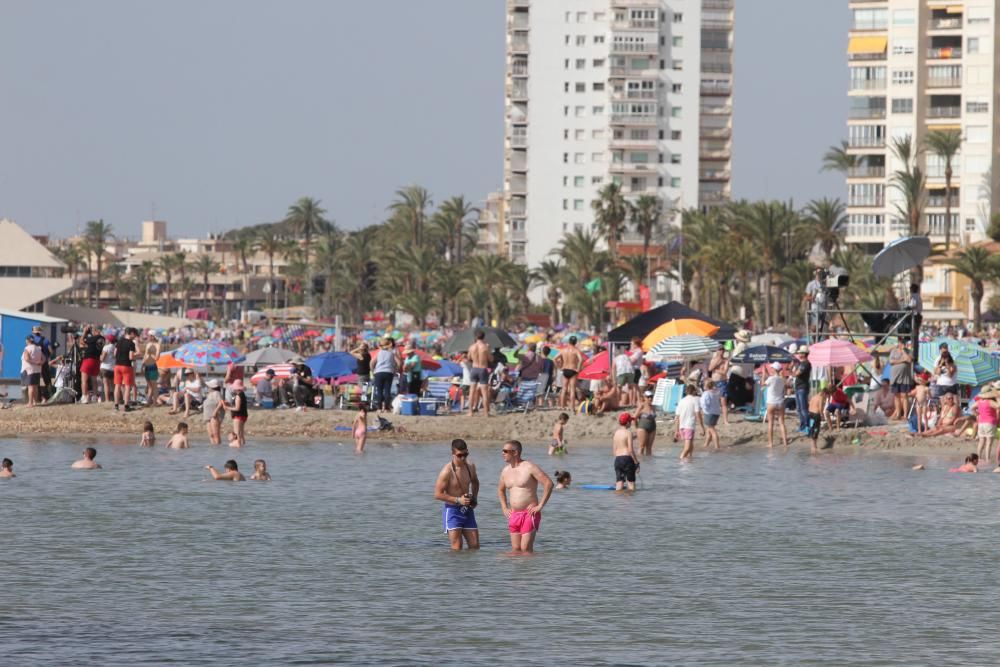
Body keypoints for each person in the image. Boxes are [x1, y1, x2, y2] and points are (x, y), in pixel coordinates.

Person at [498, 440, 552, 553]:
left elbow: (548, 483)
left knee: (525, 550)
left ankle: (534, 569)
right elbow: (501, 490)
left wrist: (540, 506)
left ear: (515, 452)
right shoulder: (505, 471)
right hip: (514, 515)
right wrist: (504, 507)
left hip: (529, 514)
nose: (502, 453)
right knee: (516, 550)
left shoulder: (529, 467)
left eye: (505, 451)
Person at [433, 439, 480, 551]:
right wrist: (458, 500)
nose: (463, 458)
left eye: (466, 454)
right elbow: (437, 494)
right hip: (452, 511)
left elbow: (475, 482)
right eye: (460, 455)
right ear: (453, 454)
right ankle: (454, 568)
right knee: (457, 548)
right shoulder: (447, 471)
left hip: (467, 509)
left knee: (475, 546)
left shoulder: (470, 466)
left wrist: (474, 497)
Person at [612, 413, 640, 490]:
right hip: (627, 459)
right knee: (631, 483)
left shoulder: (616, 433)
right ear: (627, 423)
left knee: (619, 483)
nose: (631, 423)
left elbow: (614, 451)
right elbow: (630, 450)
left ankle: (618, 502)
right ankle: (630, 501)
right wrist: (636, 463)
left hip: (618, 459)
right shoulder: (628, 433)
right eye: (630, 421)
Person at [467, 330, 492, 417]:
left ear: (475, 337)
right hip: (482, 369)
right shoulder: (485, 347)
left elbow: (469, 358)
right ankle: (486, 413)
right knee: (484, 392)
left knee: (471, 392)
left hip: (474, 369)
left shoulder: (471, 347)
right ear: (483, 337)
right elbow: (491, 359)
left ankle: (470, 412)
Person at [675, 384, 703, 459]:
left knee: (690, 445)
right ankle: (681, 461)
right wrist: (702, 427)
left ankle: (689, 460)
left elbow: (677, 417)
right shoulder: (695, 400)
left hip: (682, 426)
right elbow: (698, 414)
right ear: (694, 391)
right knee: (687, 448)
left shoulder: (681, 401)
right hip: (689, 426)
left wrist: (676, 430)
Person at [554, 336, 583, 410]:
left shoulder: (563, 350)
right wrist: (578, 369)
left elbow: (555, 358)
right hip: (573, 370)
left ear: (569, 342)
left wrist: (559, 367)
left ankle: (562, 406)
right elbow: (581, 359)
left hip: (565, 370)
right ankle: (572, 407)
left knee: (564, 389)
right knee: (572, 389)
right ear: (575, 342)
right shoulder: (576, 350)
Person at [113, 328, 137, 412]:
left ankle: (116, 405)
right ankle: (126, 406)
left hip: (117, 365)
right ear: (131, 333)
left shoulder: (119, 341)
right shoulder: (131, 343)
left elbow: (115, 353)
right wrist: (137, 356)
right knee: (127, 386)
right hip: (126, 366)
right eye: (135, 334)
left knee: (117, 385)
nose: (135, 337)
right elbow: (131, 357)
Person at [888, 339, 913, 420]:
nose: (901, 344)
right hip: (895, 377)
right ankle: (898, 414)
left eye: (903, 342)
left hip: (905, 377)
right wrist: (902, 360)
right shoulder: (893, 351)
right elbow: (891, 361)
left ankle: (905, 415)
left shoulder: (908, 351)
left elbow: (909, 360)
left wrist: (903, 351)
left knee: (904, 396)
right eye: (900, 342)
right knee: (896, 396)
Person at [372, 337, 398, 412]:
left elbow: (372, 363)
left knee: (379, 391)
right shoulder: (392, 353)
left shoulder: (378, 353)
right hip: (389, 372)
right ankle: (386, 408)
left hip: (378, 372)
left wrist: (373, 370)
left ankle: (379, 408)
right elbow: (399, 363)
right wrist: (395, 370)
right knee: (387, 390)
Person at [973, 388, 999, 462]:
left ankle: (978, 457)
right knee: (989, 442)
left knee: (981, 441)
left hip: (981, 423)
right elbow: (998, 406)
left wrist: (977, 414)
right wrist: (998, 398)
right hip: (990, 423)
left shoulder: (979, 401)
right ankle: (987, 459)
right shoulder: (990, 402)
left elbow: (972, 408)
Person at [79, 327, 103, 403]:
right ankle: (95, 397)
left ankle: (84, 396)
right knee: (94, 380)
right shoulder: (102, 339)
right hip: (97, 360)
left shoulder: (93, 338)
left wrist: (84, 332)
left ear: (96, 331)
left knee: (84, 380)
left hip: (88, 360)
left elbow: (81, 341)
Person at [707, 348, 731, 425]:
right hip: (714, 382)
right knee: (711, 401)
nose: (721, 352)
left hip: (722, 382)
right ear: (717, 351)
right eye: (719, 350)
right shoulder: (713, 360)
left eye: (722, 350)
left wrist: (716, 370)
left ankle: (725, 420)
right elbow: (710, 369)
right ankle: (711, 418)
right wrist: (717, 363)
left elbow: (724, 372)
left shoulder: (726, 360)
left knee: (723, 402)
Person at [807, 387, 832, 454]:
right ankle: (814, 447)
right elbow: (820, 408)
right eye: (827, 395)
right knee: (816, 430)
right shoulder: (821, 398)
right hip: (816, 415)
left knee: (812, 429)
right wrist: (822, 416)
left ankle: (812, 446)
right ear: (825, 393)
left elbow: (809, 405)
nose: (827, 397)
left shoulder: (814, 396)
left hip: (810, 414)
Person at [633, 389, 658, 456]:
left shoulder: (653, 407)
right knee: (642, 447)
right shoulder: (641, 406)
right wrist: (636, 428)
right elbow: (634, 418)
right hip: (642, 427)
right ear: (644, 397)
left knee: (649, 448)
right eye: (648, 397)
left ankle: (649, 464)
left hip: (652, 428)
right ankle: (641, 463)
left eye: (651, 397)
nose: (650, 398)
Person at [224, 379, 248, 447]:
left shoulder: (238, 396)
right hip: (243, 415)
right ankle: (242, 446)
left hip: (238, 416)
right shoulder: (243, 394)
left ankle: (238, 447)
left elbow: (237, 408)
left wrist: (227, 407)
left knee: (237, 433)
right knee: (241, 433)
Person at [793, 348, 812, 433]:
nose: (798, 354)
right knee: (799, 409)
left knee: (803, 409)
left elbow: (797, 373)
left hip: (802, 388)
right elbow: (795, 373)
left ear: (804, 354)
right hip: (799, 387)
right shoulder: (801, 363)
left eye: (800, 353)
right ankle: (802, 426)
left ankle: (807, 426)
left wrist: (794, 371)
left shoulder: (806, 363)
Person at [21, 335, 42, 408]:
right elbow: (44, 358)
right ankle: (35, 401)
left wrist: (35, 362)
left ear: (27, 340)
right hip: (37, 369)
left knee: (30, 387)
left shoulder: (27, 348)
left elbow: (26, 359)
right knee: (35, 386)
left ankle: (30, 403)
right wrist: (40, 363)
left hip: (29, 369)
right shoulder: (38, 348)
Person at [804, 267, 828, 334]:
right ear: (815, 274)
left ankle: (820, 340)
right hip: (815, 307)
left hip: (824, 308)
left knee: (824, 328)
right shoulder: (811, 284)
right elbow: (806, 297)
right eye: (818, 273)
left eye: (821, 273)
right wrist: (813, 297)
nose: (819, 274)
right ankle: (813, 339)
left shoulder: (826, 284)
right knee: (814, 327)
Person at [700, 380, 722, 450]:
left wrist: (704, 409)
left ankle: (717, 446)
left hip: (709, 412)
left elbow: (704, 403)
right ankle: (706, 444)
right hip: (716, 412)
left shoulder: (706, 393)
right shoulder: (716, 392)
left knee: (711, 429)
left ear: (706, 386)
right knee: (709, 429)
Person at [203, 378, 224, 445]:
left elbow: (221, 403)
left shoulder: (216, 393)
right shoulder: (210, 394)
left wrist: (215, 411)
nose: (208, 387)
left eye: (209, 386)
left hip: (214, 415)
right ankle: (213, 448)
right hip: (208, 416)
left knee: (215, 434)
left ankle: (217, 449)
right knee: (211, 435)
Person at [141, 336, 160, 406]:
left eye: (149, 336)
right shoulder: (148, 344)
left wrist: (151, 354)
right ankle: (149, 401)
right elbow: (145, 355)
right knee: (149, 386)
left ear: (153, 336)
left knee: (154, 386)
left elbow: (157, 358)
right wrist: (142, 366)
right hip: (147, 366)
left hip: (152, 366)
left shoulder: (157, 345)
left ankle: (155, 402)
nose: (148, 337)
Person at [99, 334, 116, 403]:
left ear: (108, 340)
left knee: (106, 384)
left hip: (105, 367)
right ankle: (116, 398)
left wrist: (99, 356)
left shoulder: (106, 347)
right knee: (113, 385)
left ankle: (107, 399)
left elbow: (102, 358)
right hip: (112, 367)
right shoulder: (114, 347)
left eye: (106, 339)